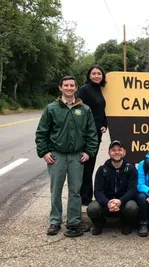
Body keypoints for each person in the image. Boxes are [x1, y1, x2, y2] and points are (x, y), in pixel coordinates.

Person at [35, 76, 98, 237]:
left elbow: (92, 133)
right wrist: (44, 152)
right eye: (66, 85)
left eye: (72, 85)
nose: (69, 88)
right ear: (60, 88)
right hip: (57, 155)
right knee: (55, 190)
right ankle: (55, 221)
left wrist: (88, 152)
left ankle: (73, 221)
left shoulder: (84, 109)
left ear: (76, 88)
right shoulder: (52, 108)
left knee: (75, 191)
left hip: (77, 156)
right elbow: (42, 132)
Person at [87, 140, 139, 235]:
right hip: (106, 204)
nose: (117, 152)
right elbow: (98, 191)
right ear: (109, 153)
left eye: (119, 150)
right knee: (92, 208)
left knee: (132, 207)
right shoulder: (102, 169)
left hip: (124, 203)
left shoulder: (131, 169)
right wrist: (107, 203)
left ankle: (126, 223)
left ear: (124, 152)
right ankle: (99, 224)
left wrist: (120, 201)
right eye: (113, 150)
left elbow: (132, 190)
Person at [77, 65, 108, 206]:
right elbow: (77, 111)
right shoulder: (84, 90)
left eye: (99, 73)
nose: (96, 76)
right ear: (89, 75)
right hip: (86, 135)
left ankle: (87, 197)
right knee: (85, 167)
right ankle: (84, 199)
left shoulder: (99, 90)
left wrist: (104, 124)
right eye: (94, 73)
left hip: (96, 135)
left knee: (90, 165)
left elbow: (101, 110)